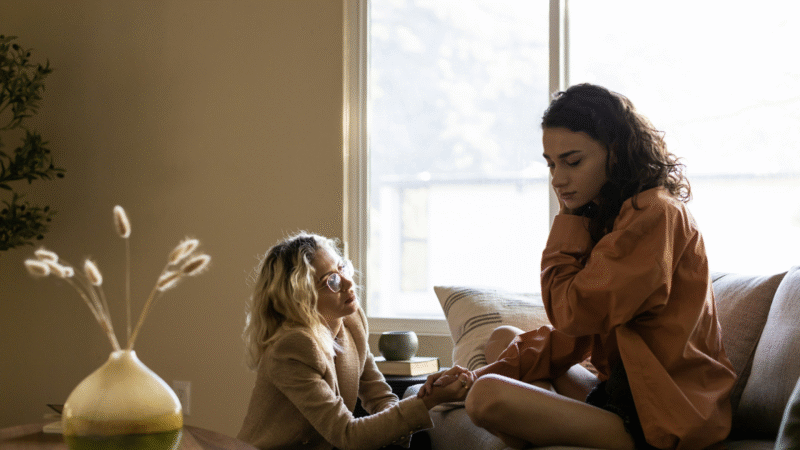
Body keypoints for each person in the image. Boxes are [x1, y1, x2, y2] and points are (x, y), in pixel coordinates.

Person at [419, 83, 737, 450]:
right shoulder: (612, 215)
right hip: (618, 397)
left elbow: (573, 316)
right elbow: (573, 336)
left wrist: (568, 217)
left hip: (662, 419)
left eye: (573, 162)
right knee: (503, 339)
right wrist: (470, 376)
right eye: (551, 164)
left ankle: (533, 428)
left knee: (486, 397)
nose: (558, 178)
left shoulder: (655, 215)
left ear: (614, 153)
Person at [237, 232, 468, 450]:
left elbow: (381, 397)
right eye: (332, 281)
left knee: (420, 441)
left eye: (342, 268)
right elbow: (347, 434)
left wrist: (429, 394)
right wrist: (427, 402)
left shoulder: (351, 322)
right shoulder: (292, 348)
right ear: (302, 298)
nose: (348, 283)